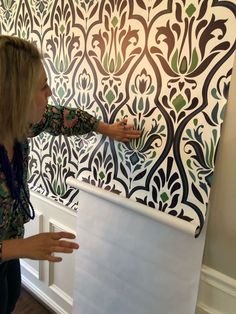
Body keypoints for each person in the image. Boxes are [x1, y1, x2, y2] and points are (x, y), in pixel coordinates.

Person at [0, 35, 141, 314]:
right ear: (16, 96)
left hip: (10, 248)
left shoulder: (20, 127)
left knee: (11, 296)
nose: (50, 93)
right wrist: (18, 248)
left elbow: (61, 118)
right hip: (10, 247)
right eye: (42, 87)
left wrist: (106, 129)